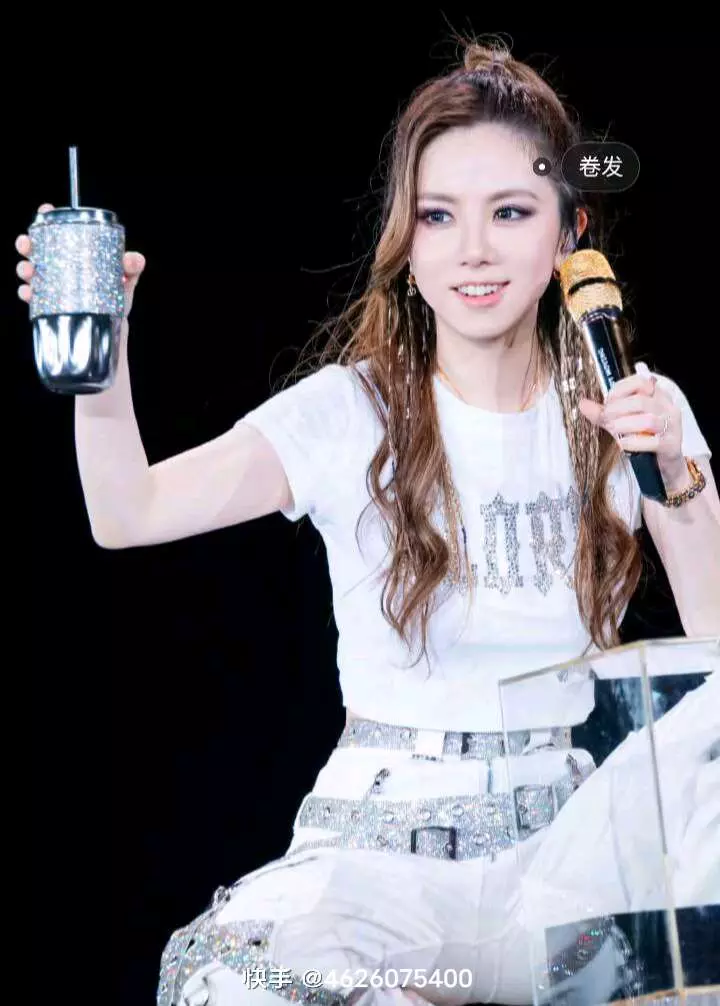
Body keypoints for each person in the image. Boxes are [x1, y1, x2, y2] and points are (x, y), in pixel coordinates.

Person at [16, 37, 720, 1006]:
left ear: (570, 234)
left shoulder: (631, 409)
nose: (473, 250)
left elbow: (713, 656)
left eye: (510, 212)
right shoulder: (351, 412)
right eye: (439, 215)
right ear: (409, 242)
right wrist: (104, 350)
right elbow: (126, 512)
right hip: (384, 869)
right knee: (246, 985)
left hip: (569, 870)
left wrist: (675, 472)